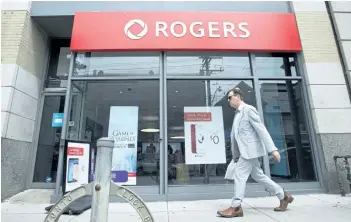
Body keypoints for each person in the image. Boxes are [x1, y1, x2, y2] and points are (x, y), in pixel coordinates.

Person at [217, 88, 294, 218]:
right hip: (244, 153)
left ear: (238, 97)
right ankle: (283, 195)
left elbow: (261, 130)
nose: (228, 100)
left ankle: (236, 207)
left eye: (229, 97)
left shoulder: (248, 110)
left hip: (249, 152)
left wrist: (273, 149)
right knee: (259, 176)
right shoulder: (238, 114)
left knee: (239, 176)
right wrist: (236, 155)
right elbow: (236, 137)